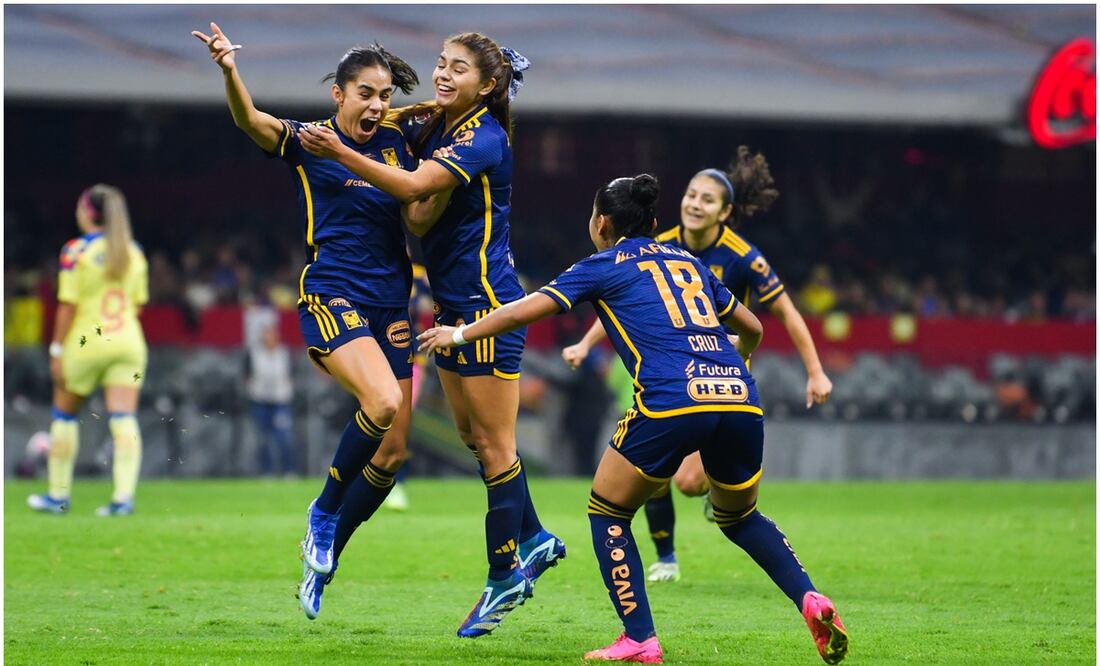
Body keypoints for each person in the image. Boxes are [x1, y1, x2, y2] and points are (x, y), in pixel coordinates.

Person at [418, 174, 848, 665]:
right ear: (654, 222)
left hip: (671, 399)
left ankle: (640, 638)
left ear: (601, 222)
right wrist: (738, 358)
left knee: (608, 511)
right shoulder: (688, 260)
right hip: (739, 398)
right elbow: (751, 326)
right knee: (741, 516)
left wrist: (457, 335)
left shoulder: (599, 265)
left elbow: (521, 312)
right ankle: (810, 598)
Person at [296, 32, 564, 638]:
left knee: (494, 445)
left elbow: (416, 193)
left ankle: (504, 575)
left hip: (486, 303)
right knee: (474, 436)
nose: (442, 74)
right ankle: (535, 537)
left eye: (458, 69)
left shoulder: (482, 135)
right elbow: (400, 158)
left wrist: (338, 151)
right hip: (453, 303)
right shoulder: (439, 123)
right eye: (441, 64)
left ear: (488, 85)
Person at [193, 23, 434, 620]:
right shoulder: (313, 140)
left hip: (390, 305)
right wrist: (228, 71)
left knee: (395, 450)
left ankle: (324, 554)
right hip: (333, 292)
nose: (377, 105)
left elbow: (441, 111)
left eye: (385, 95)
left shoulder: (401, 139)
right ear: (340, 95)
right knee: (380, 405)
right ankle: (323, 512)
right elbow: (252, 121)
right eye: (365, 94)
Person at [563, 146, 834, 584]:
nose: (694, 204)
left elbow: (785, 313)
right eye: (691, 194)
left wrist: (816, 370)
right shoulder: (658, 245)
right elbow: (622, 300)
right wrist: (583, 343)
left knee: (685, 481)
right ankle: (667, 556)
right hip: (671, 377)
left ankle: (717, 488)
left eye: (707, 200)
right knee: (654, 471)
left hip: (720, 370)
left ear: (724, 212)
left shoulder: (743, 256)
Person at [27, 184, 149, 517]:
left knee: (64, 415)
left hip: (86, 341)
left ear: (88, 213)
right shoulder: (134, 251)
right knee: (123, 418)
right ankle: (123, 498)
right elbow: (137, 306)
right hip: (128, 341)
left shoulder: (75, 252)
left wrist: (55, 349)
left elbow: (67, 306)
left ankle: (57, 496)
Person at [244, 325, 297, 477]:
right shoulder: (254, 354)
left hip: (281, 401)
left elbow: (292, 374)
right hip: (260, 401)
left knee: (284, 437)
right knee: (263, 438)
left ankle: (289, 470)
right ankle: (267, 471)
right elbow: (246, 375)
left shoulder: (285, 354)